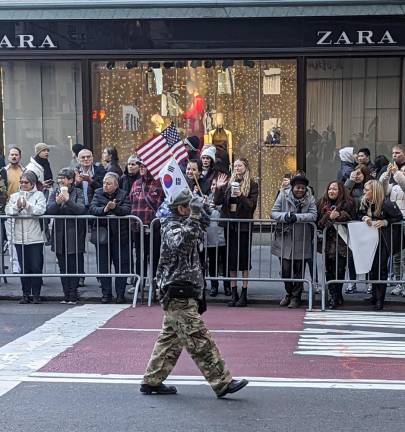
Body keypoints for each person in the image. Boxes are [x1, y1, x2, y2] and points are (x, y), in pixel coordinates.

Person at [141, 188, 248, 398]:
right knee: (199, 338)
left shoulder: (186, 222)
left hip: (186, 288)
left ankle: (152, 380)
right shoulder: (170, 225)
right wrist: (195, 216)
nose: (193, 212)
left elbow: (203, 228)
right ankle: (222, 381)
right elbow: (181, 244)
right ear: (181, 208)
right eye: (190, 208)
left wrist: (203, 212)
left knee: (170, 339)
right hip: (176, 289)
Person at [214, 158, 258, 307]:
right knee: (231, 260)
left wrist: (240, 195)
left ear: (246, 167)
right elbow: (218, 202)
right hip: (230, 225)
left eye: (240, 165)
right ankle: (234, 292)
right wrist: (219, 188)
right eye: (235, 165)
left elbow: (251, 206)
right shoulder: (228, 183)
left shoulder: (252, 184)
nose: (237, 168)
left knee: (244, 260)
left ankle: (244, 293)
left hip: (244, 227)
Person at [271, 175, 317, 308]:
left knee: (298, 269)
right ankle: (288, 293)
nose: (300, 190)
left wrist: (296, 217)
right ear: (292, 187)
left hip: (302, 238)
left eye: (303, 188)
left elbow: (314, 215)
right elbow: (273, 212)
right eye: (298, 187)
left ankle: (296, 297)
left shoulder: (310, 198)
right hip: (284, 238)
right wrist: (285, 216)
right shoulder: (283, 195)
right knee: (285, 270)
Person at [357, 180, 402, 310]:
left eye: (367, 190)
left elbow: (398, 217)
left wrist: (385, 222)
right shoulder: (365, 202)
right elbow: (358, 214)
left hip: (383, 241)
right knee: (372, 269)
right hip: (370, 240)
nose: (364, 192)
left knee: (380, 268)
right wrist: (364, 218)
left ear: (374, 191)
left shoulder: (386, 203)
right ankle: (374, 295)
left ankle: (380, 300)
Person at [89, 172, 131, 303]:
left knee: (121, 266)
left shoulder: (123, 194)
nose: (105, 186)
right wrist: (105, 209)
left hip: (120, 235)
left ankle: (120, 294)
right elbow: (92, 209)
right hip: (103, 236)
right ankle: (106, 294)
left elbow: (127, 210)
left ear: (116, 185)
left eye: (109, 183)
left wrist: (115, 207)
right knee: (103, 266)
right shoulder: (98, 193)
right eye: (104, 183)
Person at [46, 168, 86, 304]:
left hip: (74, 233)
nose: (60, 180)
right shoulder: (54, 193)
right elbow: (49, 210)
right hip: (59, 233)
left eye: (63, 178)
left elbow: (81, 210)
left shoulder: (78, 192)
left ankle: (73, 294)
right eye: (59, 178)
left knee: (73, 265)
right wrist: (57, 202)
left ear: (70, 180)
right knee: (62, 265)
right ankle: (66, 294)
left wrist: (68, 201)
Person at [5, 171, 46, 304]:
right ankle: (25, 294)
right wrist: (17, 206)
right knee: (24, 267)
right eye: (21, 182)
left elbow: (40, 210)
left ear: (33, 183)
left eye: (26, 182)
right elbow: (8, 211)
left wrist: (27, 206)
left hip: (35, 237)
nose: (23, 184)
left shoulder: (39, 195)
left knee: (35, 266)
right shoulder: (14, 196)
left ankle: (36, 294)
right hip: (19, 237)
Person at [317, 181, 355, 309]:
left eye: (334, 189)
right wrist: (328, 216)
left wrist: (340, 215)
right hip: (327, 243)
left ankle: (337, 295)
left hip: (342, 243)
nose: (331, 191)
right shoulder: (321, 203)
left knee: (340, 270)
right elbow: (318, 222)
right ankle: (333, 296)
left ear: (340, 191)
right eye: (330, 189)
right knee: (329, 270)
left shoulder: (348, 203)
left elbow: (352, 218)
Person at [129, 160, 164, 290]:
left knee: (154, 256)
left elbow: (161, 206)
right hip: (138, 227)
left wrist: (156, 221)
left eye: (145, 166)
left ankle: (154, 282)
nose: (142, 168)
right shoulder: (136, 183)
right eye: (141, 166)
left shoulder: (159, 184)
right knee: (139, 256)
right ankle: (139, 282)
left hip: (153, 226)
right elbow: (130, 201)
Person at [379, 145, 405, 297]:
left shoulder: (399, 173)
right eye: (393, 152)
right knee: (396, 254)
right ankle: (398, 283)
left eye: (398, 153)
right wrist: (386, 175)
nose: (394, 155)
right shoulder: (392, 171)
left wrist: (397, 174)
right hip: (396, 219)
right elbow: (383, 191)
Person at [344, 164, 373, 294]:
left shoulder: (370, 187)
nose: (356, 176)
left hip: (367, 224)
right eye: (355, 173)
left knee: (368, 254)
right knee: (351, 255)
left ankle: (369, 283)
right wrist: (350, 180)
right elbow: (343, 195)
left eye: (359, 174)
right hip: (352, 224)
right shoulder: (349, 186)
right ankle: (352, 282)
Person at [206, 178, 231, 297]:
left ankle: (227, 286)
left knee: (225, 263)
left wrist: (218, 207)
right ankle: (214, 286)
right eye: (212, 184)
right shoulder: (206, 198)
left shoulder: (224, 197)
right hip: (211, 235)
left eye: (216, 185)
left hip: (223, 235)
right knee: (213, 263)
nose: (213, 187)